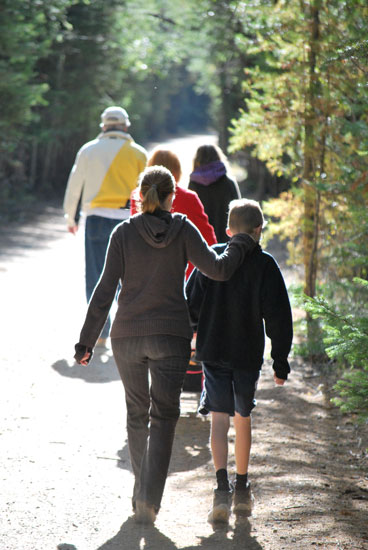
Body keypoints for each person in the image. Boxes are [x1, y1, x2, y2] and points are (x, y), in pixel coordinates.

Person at [73, 167, 256, 524]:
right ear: (172, 196)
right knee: (164, 416)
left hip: (126, 337)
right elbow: (218, 270)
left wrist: (86, 341)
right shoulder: (183, 229)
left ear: (139, 196)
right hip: (171, 338)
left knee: (137, 414)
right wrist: (241, 243)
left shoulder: (122, 233)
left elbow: (104, 290)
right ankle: (149, 500)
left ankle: (141, 492)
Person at [186, 198, 293, 524]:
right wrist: (280, 362)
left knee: (219, 418)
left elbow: (190, 299)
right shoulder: (265, 265)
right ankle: (243, 488)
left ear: (228, 230)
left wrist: (190, 334)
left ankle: (221, 490)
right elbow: (279, 317)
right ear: (259, 231)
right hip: (246, 355)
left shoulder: (213, 256)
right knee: (242, 416)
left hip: (214, 352)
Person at [63, 106, 147, 346]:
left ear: (103, 126)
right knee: (129, 277)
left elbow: (74, 186)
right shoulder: (139, 154)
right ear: (126, 126)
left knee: (96, 276)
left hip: (96, 219)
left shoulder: (88, 151)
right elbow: (148, 190)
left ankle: (100, 333)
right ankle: (128, 331)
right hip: (128, 220)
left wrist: (71, 218)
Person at [130, 147, 217, 278]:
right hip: (187, 277)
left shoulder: (138, 196)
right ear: (176, 171)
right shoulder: (189, 198)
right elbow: (209, 240)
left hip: (148, 277)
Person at [188, 144, 241, 243]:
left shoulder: (193, 184)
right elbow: (239, 214)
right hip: (228, 244)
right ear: (218, 158)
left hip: (201, 244)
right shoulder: (229, 182)